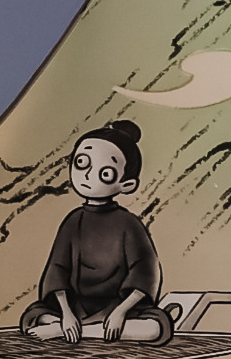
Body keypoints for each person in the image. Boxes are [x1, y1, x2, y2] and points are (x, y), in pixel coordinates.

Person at [14, 121, 174, 344]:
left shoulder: (128, 223)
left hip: (119, 306)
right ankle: (72, 327)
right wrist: (66, 313)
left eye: (106, 173)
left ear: (126, 184)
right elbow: (58, 270)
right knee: (34, 316)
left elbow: (145, 272)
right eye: (82, 162)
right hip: (76, 306)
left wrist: (120, 311)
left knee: (154, 328)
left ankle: (70, 332)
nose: (88, 175)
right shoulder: (73, 221)